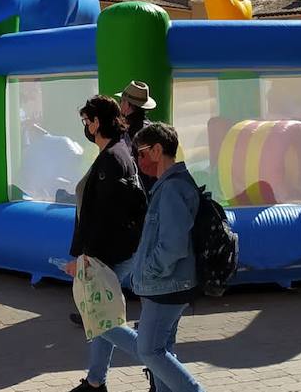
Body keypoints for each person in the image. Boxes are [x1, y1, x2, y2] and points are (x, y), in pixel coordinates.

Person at [81, 122, 204, 392]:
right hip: (167, 284)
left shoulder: (172, 189)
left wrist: (147, 272)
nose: (138, 160)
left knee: (149, 351)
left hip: (166, 285)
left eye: (141, 153)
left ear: (158, 150)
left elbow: (173, 245)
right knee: (161, 350)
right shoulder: (169, 185)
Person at [66, 95, 148, 392]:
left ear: (97, 122)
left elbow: (103, 217)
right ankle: (95, 380)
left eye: (87, 121)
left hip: (106, 254)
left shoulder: (111, 159)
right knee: (101, 315)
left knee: (105, 321)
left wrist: (83, 258)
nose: (85, 127)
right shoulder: (118, 151)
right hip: (114, 251)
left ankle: (160, 362)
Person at [117, 80, 158, 191]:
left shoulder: (123, 131)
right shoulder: (153, 130)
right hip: (154, 188)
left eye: (121, 101)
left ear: (126, 104)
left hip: (134, 191)